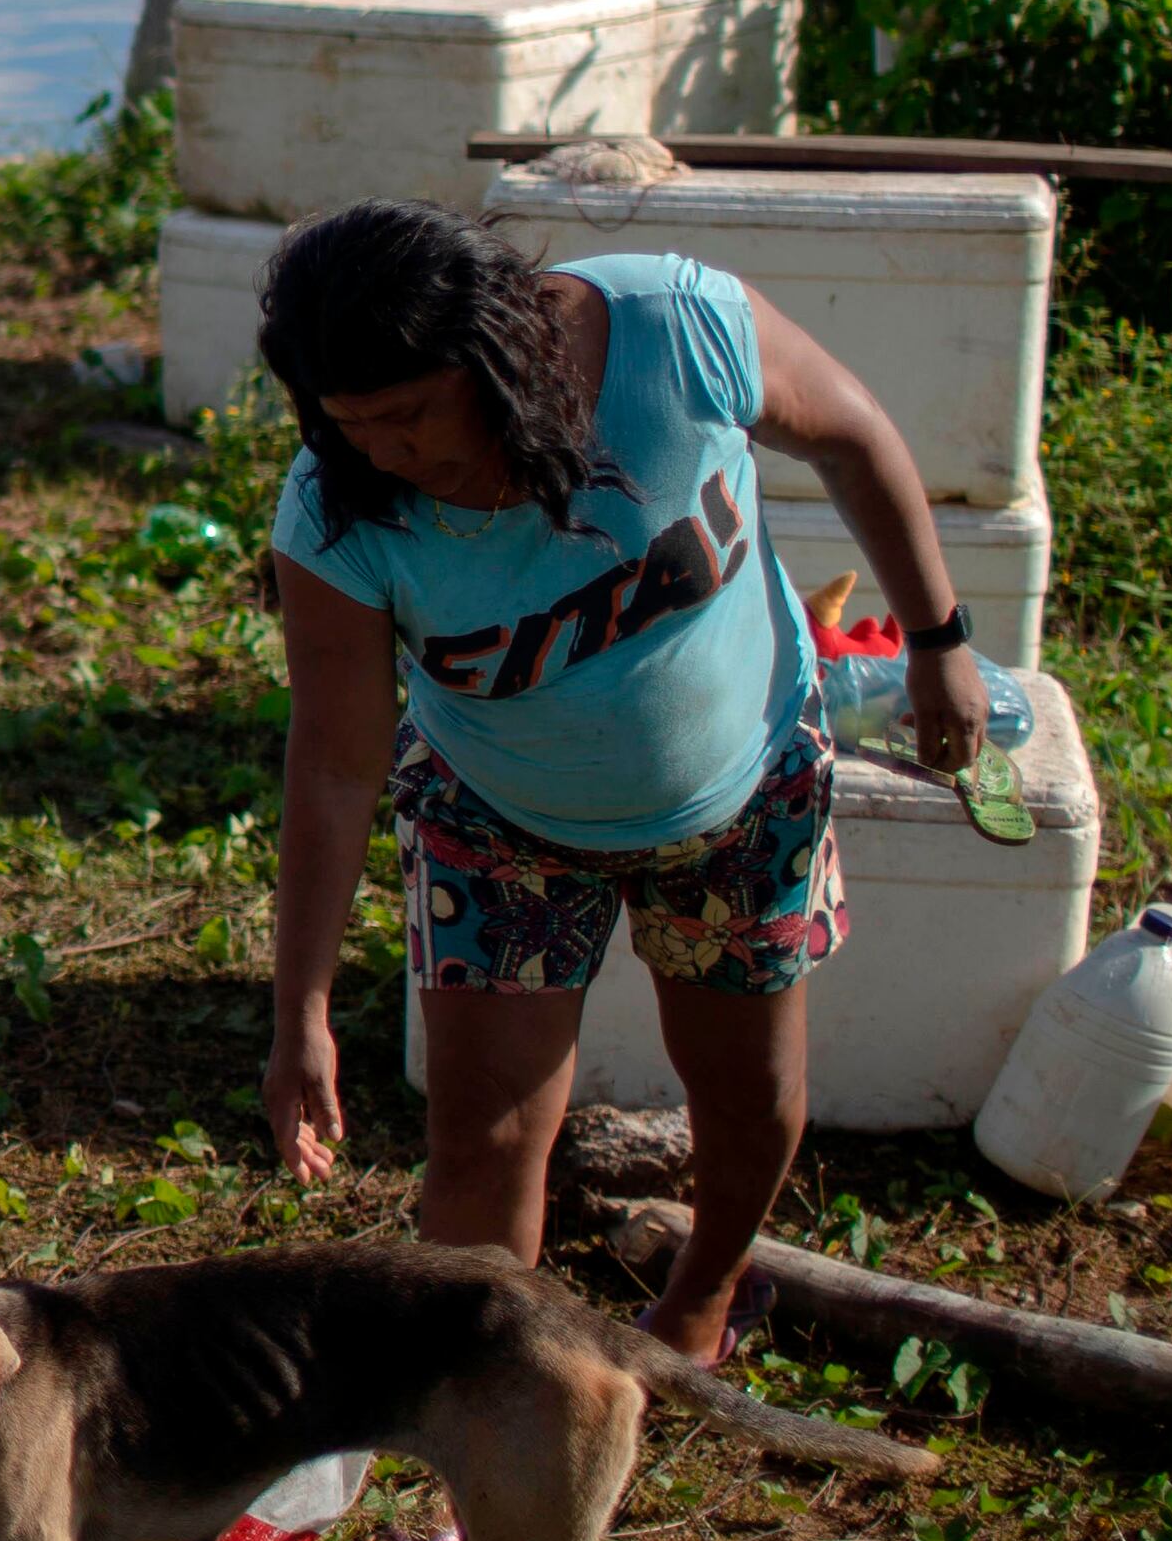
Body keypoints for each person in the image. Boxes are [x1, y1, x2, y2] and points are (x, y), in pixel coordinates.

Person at [250, 200, 989, 1364]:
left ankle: (702, 1296)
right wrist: (299, 1015)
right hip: (496, 823)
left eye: (408, 415)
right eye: (350, 426)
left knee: (744, 1092)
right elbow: (334, 766)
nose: (387, 452)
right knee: (482, 1136)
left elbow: (853, 436)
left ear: (493, 353)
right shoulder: (338, 511)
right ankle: (480, 1389)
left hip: (742, 794)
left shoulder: (671, 331)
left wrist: (937, 639)